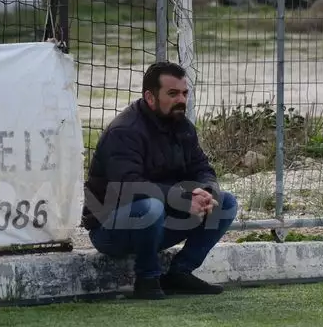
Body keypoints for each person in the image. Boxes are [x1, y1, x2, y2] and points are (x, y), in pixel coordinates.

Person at [81, 61, 239, 300]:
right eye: (173, 94)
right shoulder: (124, 131)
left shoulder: (183, 127)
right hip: (111, 230)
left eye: (184, 93)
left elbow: (202, 168)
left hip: (158, 221)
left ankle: (179, 273)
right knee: (150, 207)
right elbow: (127, 187)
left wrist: (205, 191)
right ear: (150, 97)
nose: (181, 100)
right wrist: (183, 200)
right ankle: (147, 279)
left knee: (224, 203)